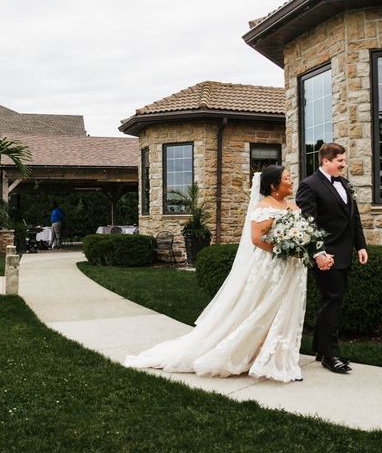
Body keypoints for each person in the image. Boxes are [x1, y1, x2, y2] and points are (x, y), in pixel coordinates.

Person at [124, 165, 307, 382]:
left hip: (292, 268)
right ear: (273, 185)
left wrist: (300, 246)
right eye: (287, 178)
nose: (291, 180)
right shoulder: (263, 208)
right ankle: (249, 353)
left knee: (285, 309)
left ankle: (275, 354)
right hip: (271, 267)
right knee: (263, 308)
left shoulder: (292, 205)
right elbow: (257, 239)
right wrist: (282, 250)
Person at [295, 142, 368, 374]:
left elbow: (353, 217)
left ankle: (320, 348)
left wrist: (361, 245)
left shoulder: (345, 184)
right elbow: (308, 224)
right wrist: (318, 253)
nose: (344, 165)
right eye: (340, 162)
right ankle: (330, 355)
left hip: (346, 251)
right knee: (333, 301)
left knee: (332, 300)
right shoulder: (309, 185)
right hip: (326, 254)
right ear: (326, 161)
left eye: (344, 161)